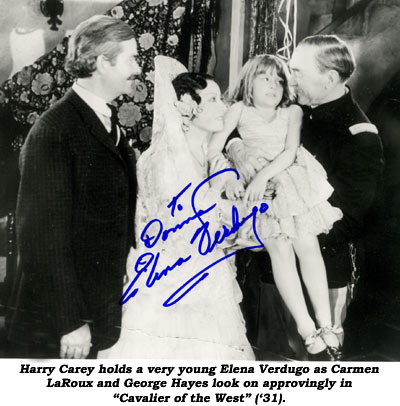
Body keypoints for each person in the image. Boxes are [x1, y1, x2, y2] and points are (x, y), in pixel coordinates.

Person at [227, 35, 384, 357]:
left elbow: (349, 217)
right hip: (270, 269)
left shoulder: (358, 134)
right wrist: (236, 147)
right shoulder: (293, 110)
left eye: (297, 71)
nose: (288, 78)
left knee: (314, 368)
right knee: (270, 360)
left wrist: (287, 230)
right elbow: (237, 125)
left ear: (328, 78)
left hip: (321, 274)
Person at [98, 56, 254, 360]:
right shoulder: (162, 159)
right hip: (169, 282)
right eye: (212, 99)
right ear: (186, 105)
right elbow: (173, 226)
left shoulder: (212, 156)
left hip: (208, 275)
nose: (222, 106)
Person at [6, 15, 141, 359]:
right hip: (59, 326)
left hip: (94, 312)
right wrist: (70, 322)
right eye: (131, 59)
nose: (138, 69)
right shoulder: (55, 130)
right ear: (100, 63)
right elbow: (40, 236)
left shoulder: (103, 121)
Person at [208, 54, 343, 360]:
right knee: (280, 250)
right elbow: (213, 147)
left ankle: (327, 323)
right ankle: (307, 329)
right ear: (248, 83)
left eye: (279, 80)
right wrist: (230, 173)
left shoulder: (292, 111)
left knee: (307, 246)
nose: (273, 85)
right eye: (265, 78)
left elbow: (290, 150)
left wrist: (262, 178)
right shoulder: (238, 109)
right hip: (259, 191)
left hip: (289, 178)